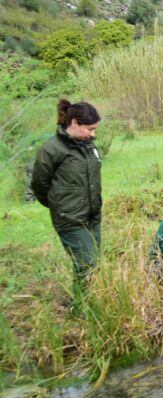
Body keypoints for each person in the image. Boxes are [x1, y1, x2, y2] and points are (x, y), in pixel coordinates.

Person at [31, 99, 102, 297]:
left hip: (93, 216)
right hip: (69, 219)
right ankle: (81, 309)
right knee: (86, 264)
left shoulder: (89, 146)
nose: (93, 134)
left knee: (95, 261)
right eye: (90, 128)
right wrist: (60, 206)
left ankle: (95, 300)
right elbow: (39, 185)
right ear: (74, 123)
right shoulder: (51, 150)